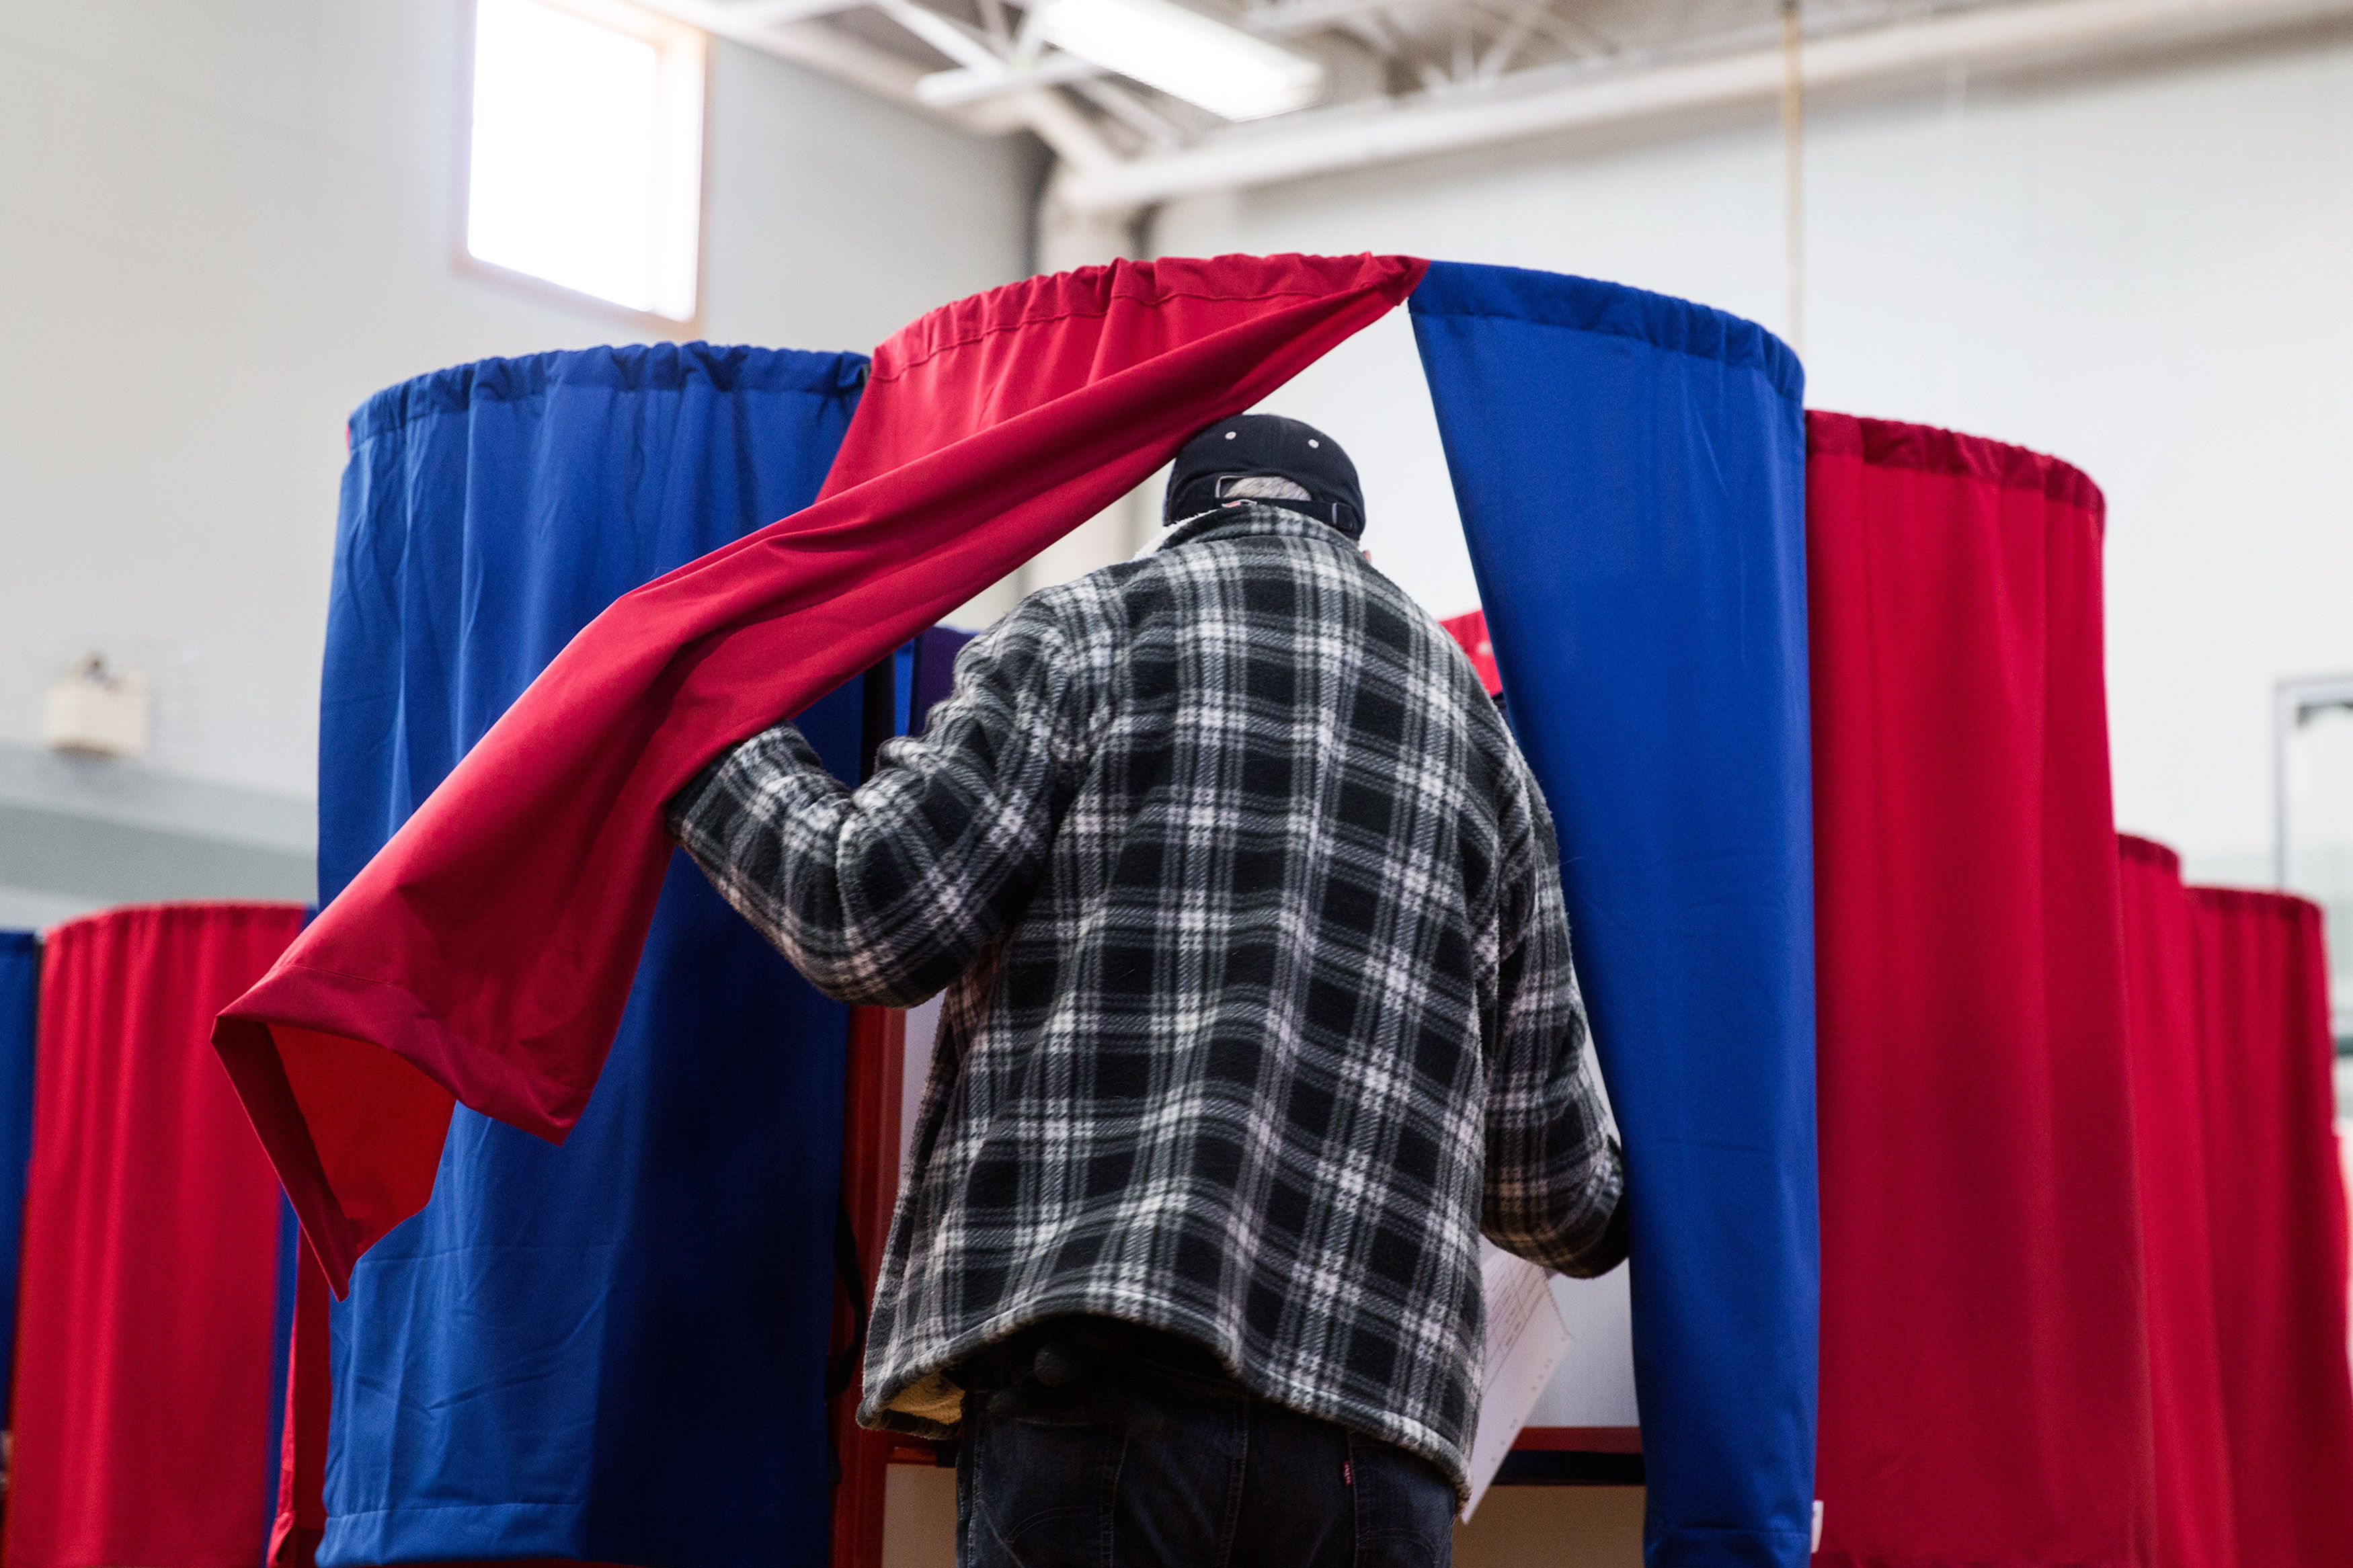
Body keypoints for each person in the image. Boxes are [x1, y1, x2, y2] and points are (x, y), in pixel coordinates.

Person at [668, 414, 1628, 1566]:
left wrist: (699, 726)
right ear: (1359, 550)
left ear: (1185, 521)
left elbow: (870, 913)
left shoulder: (1085, 630)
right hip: (1375, 1448)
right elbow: (1556, 1193)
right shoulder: (1490, 753)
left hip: (1106, 1394)